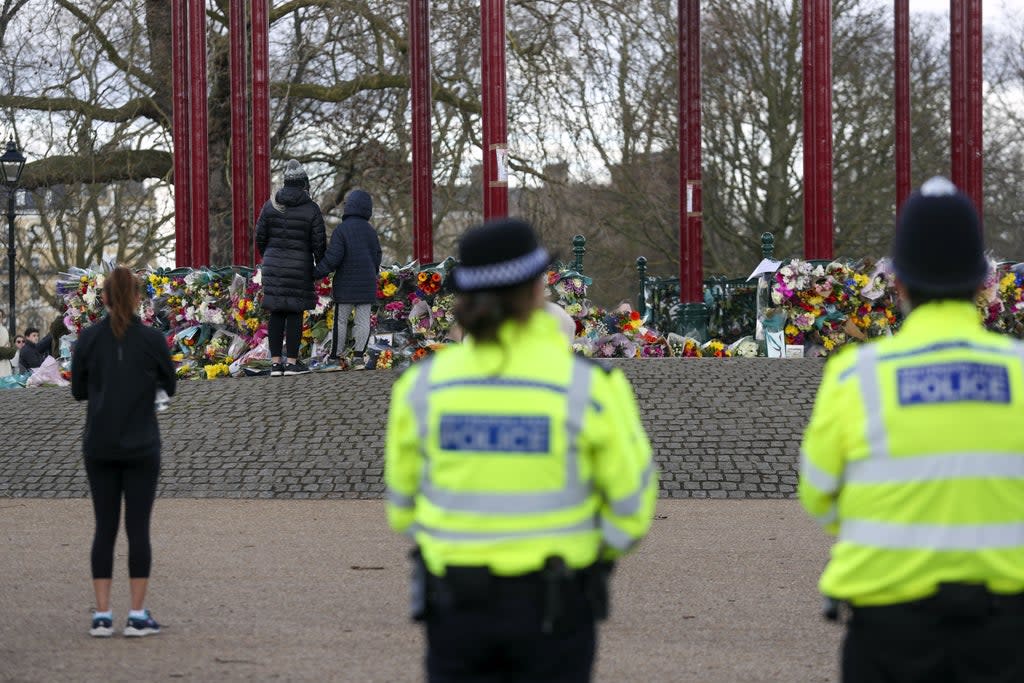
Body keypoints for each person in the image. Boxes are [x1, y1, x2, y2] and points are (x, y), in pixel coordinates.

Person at [385, 217, 657, 683]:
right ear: (536, 291)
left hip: (456, 604)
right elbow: (631, 507)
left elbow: (403, 505)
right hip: (557, 604)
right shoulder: (589, 389)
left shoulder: (421, 389)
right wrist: (589, 556)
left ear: (464, 299)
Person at [799, 177, 1024, 682]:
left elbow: (818, 494)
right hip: (1006, 625)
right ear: (981, 282)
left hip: (889, 621)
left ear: (897, 282)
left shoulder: (855, 377)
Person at [71, 266, 177, 638]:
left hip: (99, 442)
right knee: (137, 530)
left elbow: (78, 391)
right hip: (141, 443)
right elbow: (171, 383)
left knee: (104, 529)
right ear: (136, 298)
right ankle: (136, 614)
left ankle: (102, 615)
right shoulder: (151, 340)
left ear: (102, 298)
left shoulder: (88, 339)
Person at [255, 159, 327, 376]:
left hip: (273, 265)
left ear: (285, 182)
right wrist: (318, 264)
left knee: (277, 312)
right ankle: (293, 363)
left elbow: (260, 237)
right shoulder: (311, 208)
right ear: (304, 183)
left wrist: (269, 256)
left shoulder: (270, 205)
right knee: (295, 313)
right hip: (299, 266)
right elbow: (319, 242)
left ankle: (276, 363)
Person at [313, 189, 382, 370]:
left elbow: (333, 259)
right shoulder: (371, 232)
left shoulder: (341, 230)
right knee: (363, 321)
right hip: (366, 284)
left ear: (349, 207)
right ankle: (359, 358)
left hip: (345, 285)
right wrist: (371, 273)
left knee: (341, 321)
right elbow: (377, 257)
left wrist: (316, 273)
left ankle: (336, 357)